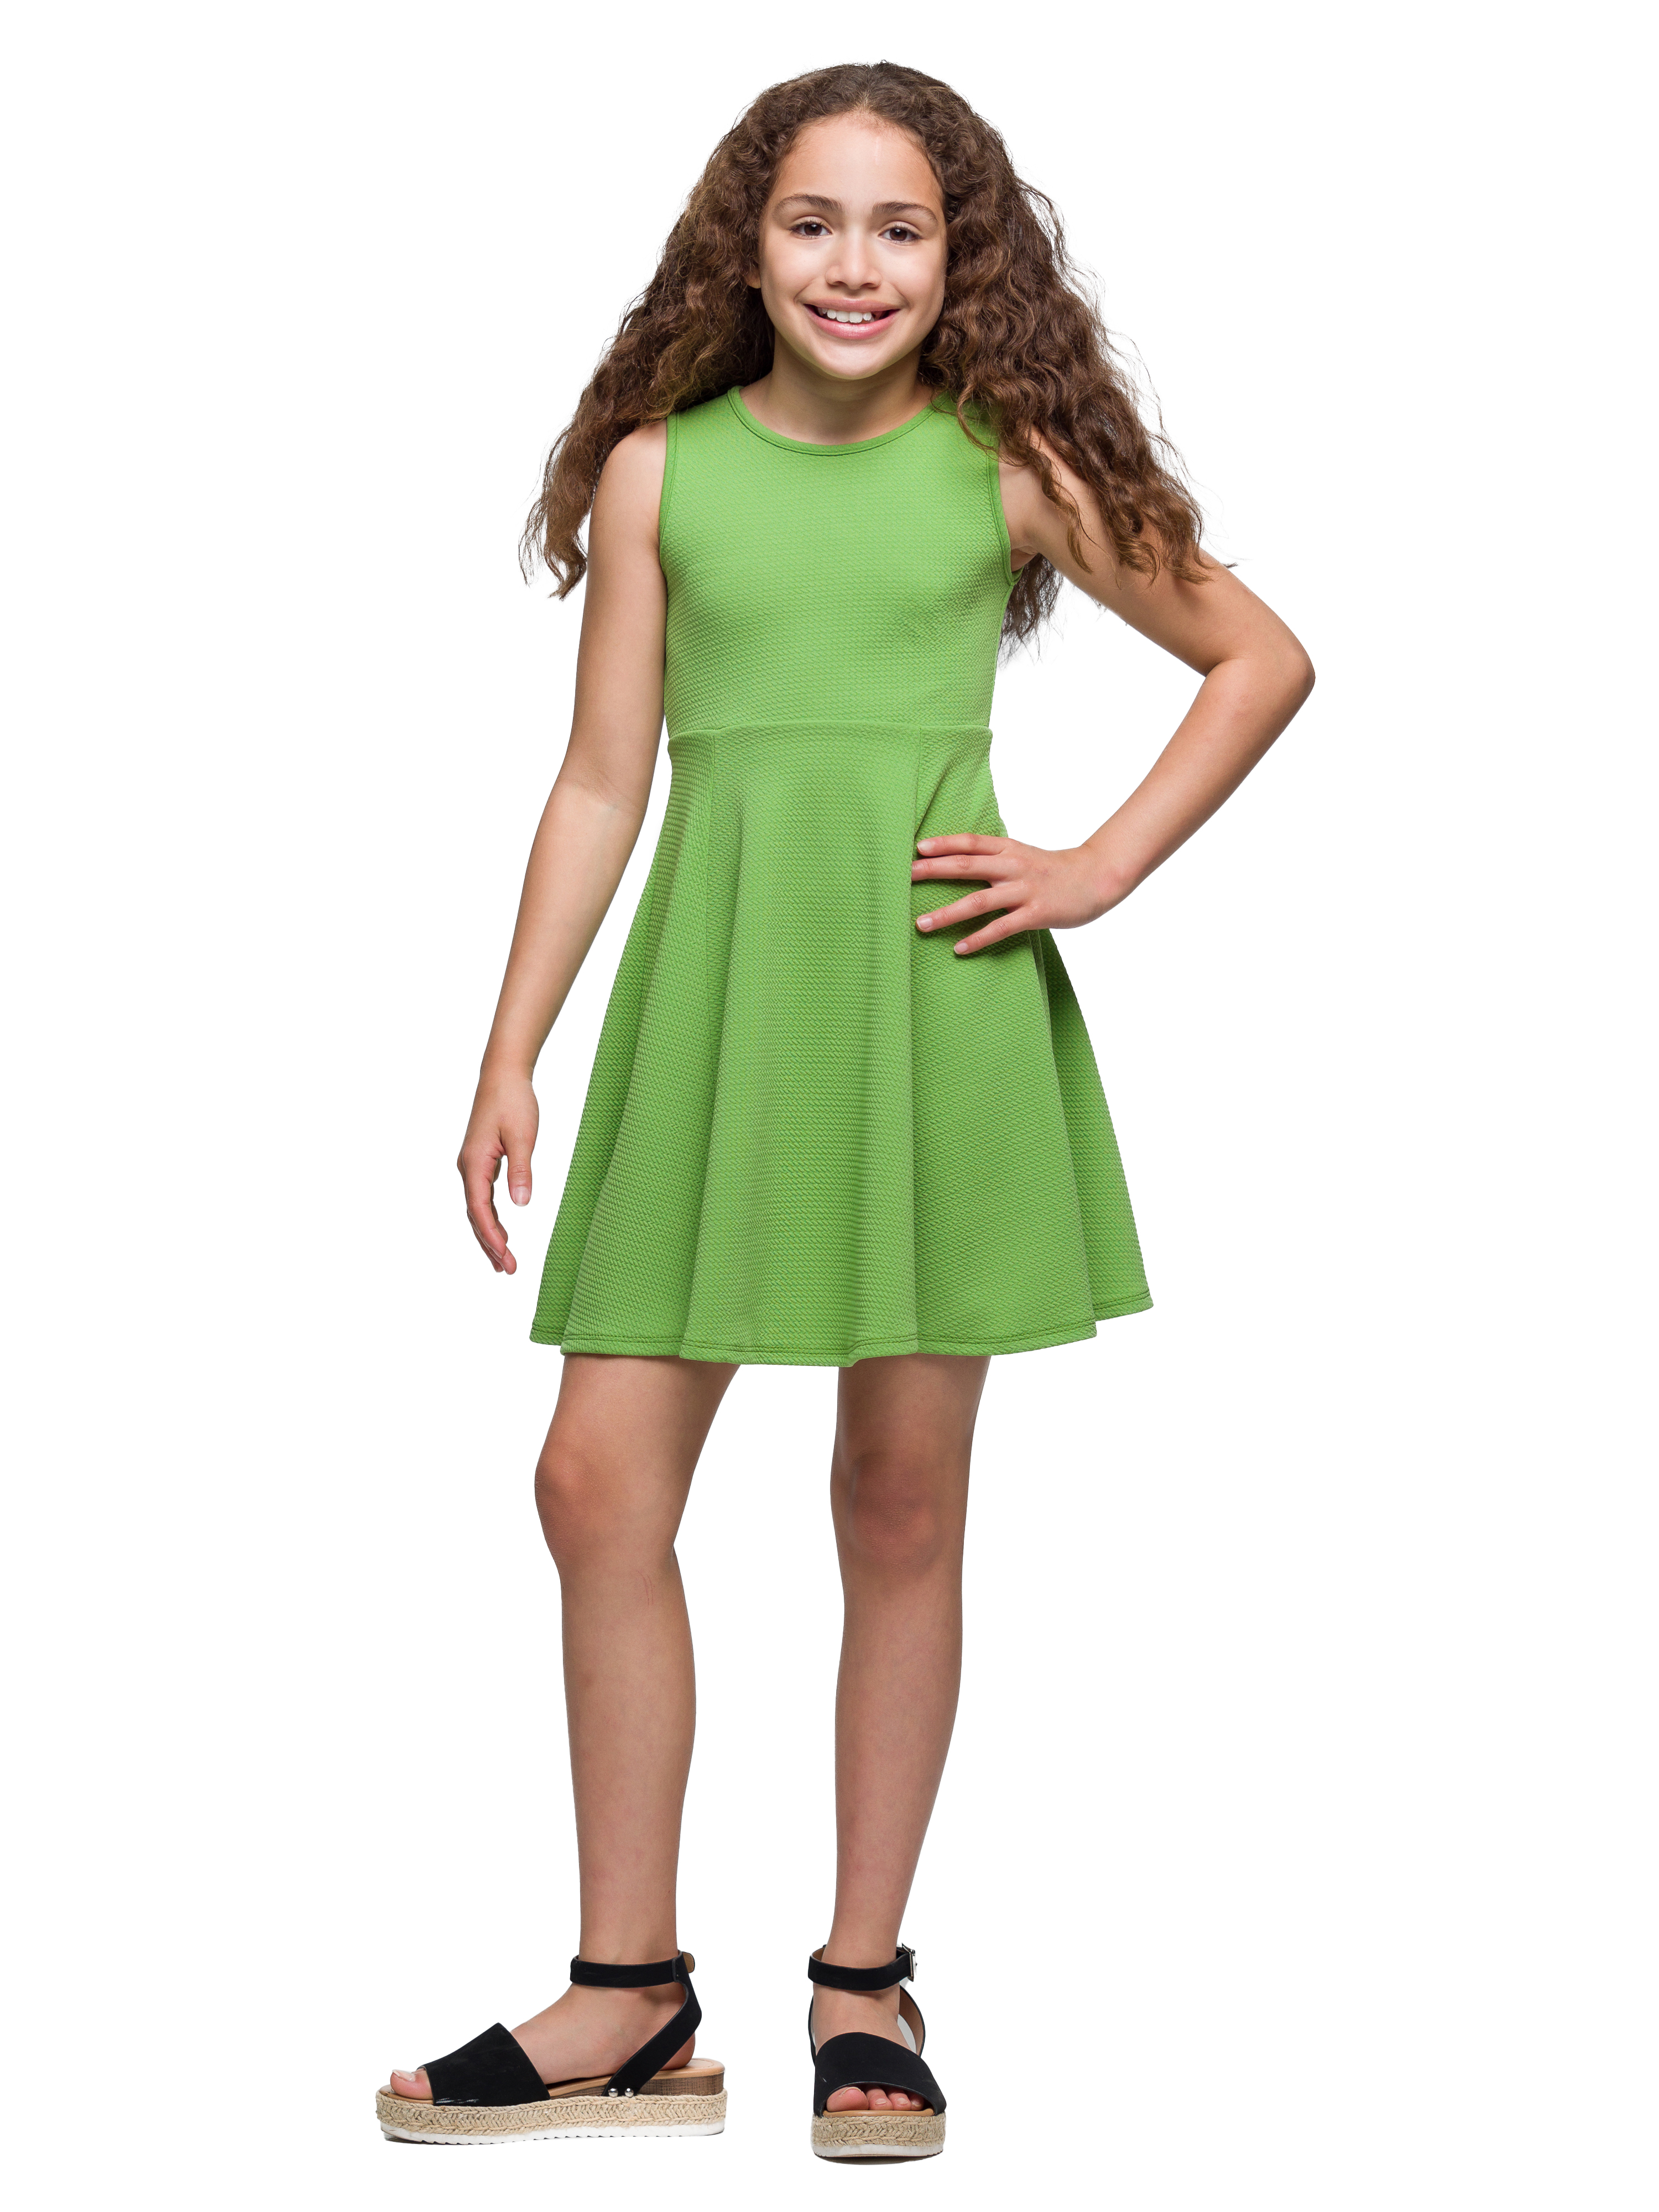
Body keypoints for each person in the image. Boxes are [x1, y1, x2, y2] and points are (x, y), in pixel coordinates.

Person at [375, 60, 1313, 2162]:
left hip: (928, 1006)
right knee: (594, 1483)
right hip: (717, 1005)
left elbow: (1258, 657)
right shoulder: (662, 474)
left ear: (963, 257)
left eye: (903, 227)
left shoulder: (1008, 467)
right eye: (814, 222)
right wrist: (511, 1045)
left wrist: (1095, 866)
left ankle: (862, 1981)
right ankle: (629, 1995)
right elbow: (601, 780)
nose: (856, 265)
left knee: (898, 1503)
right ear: (751, 241)